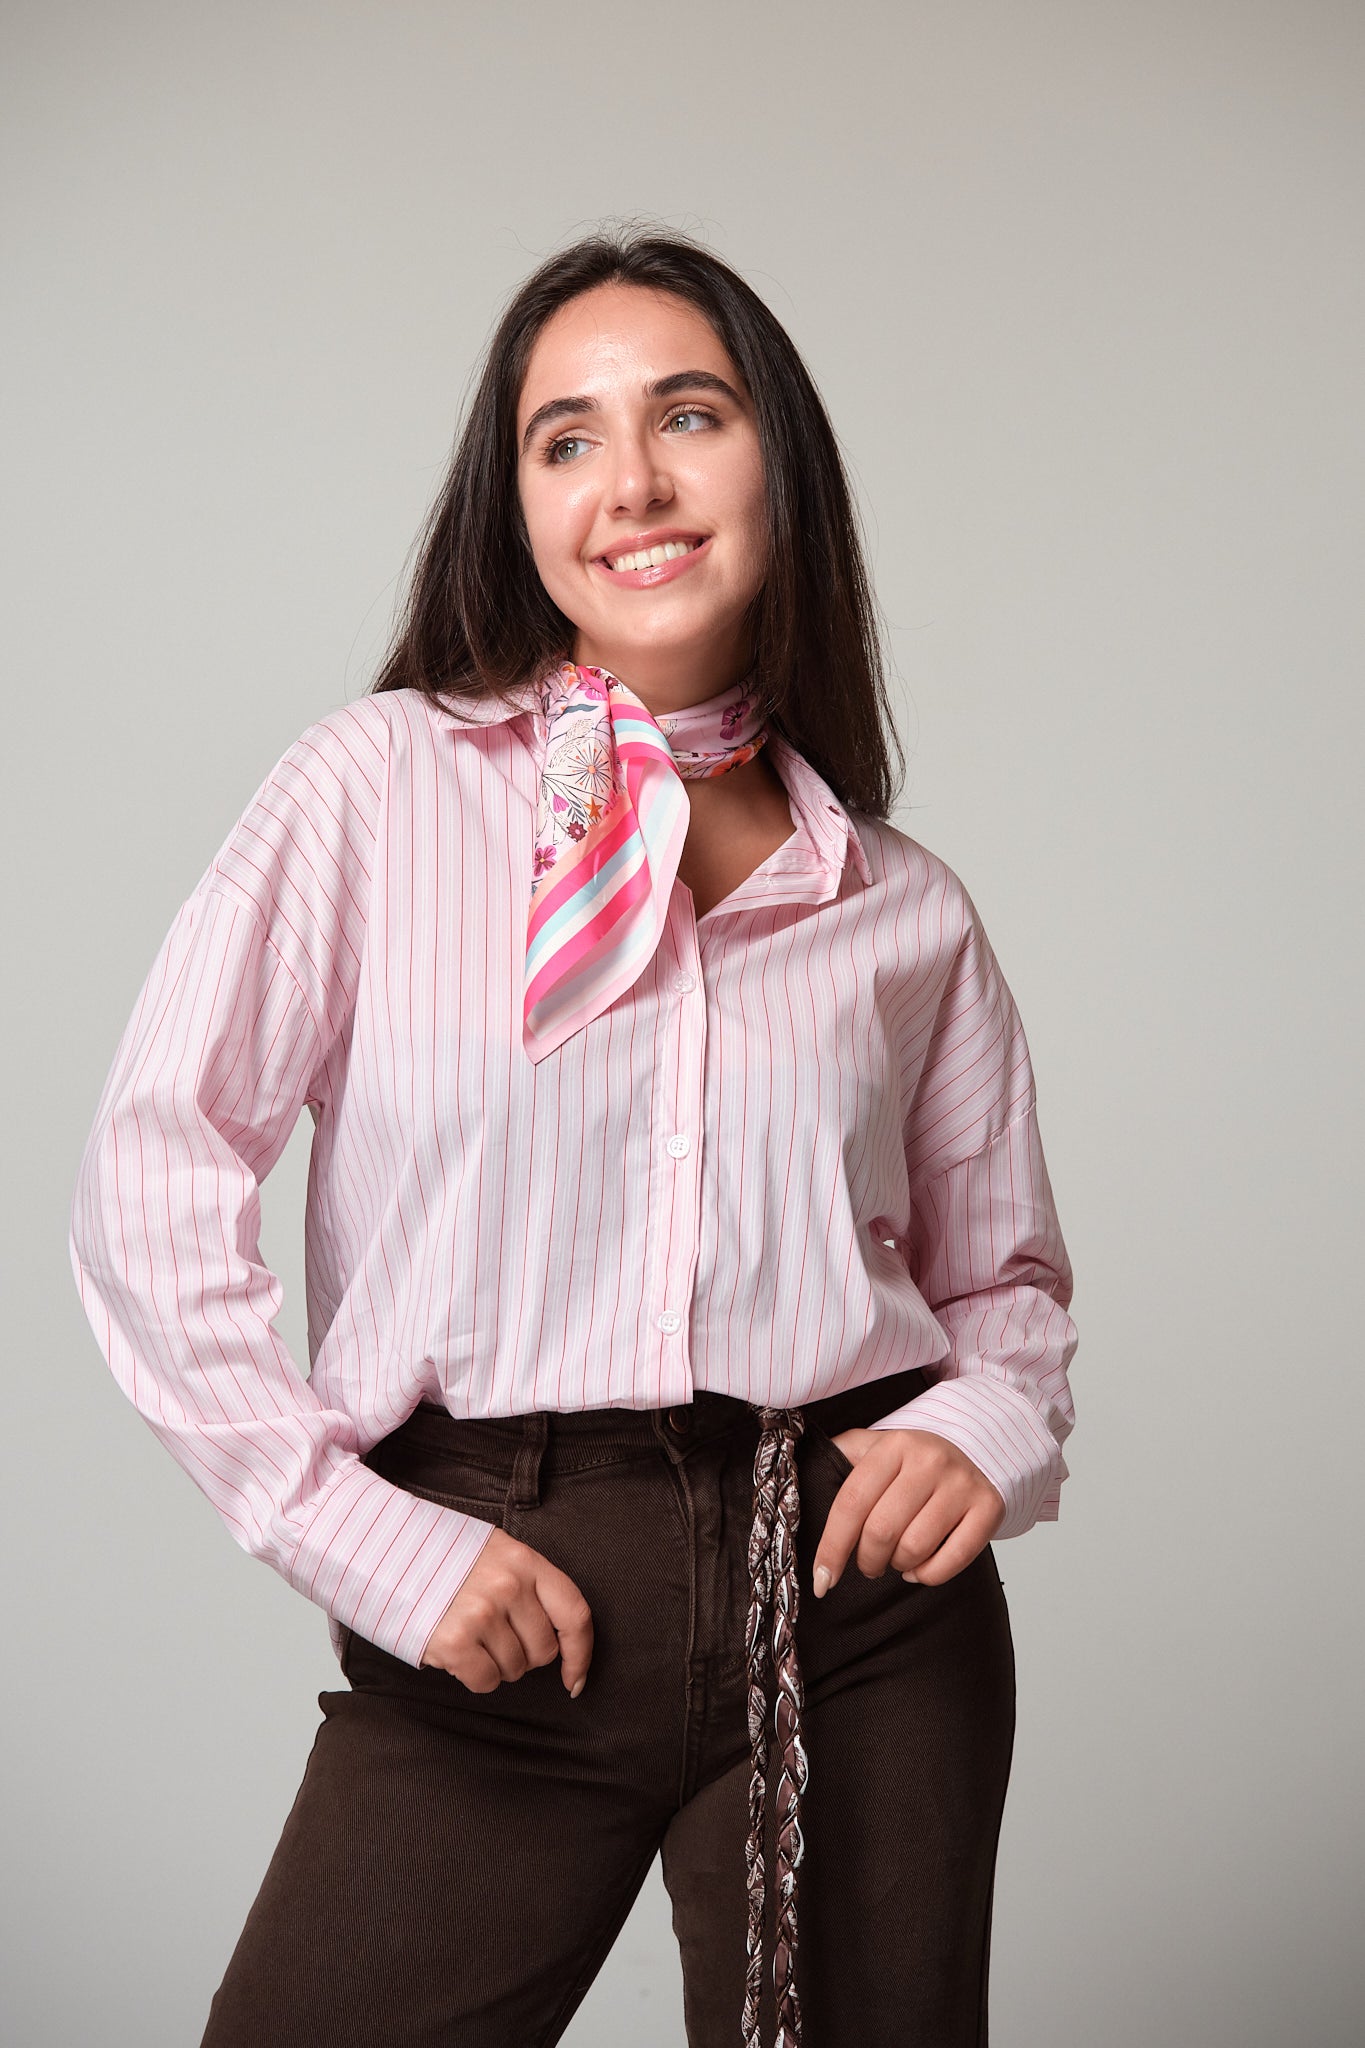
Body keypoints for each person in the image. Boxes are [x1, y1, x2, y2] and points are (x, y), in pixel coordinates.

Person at [68, 226, 1078, 2048]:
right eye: (564, 438)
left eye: (686, 415)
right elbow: (151, 1183)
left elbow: (999, 1282)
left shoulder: (903, 909)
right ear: (513, 502)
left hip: (851, 1611)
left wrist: (983, 1427)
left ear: (777, 458)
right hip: (495, 1589)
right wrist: (362, 1542)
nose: (630, 483)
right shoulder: (372, 790)